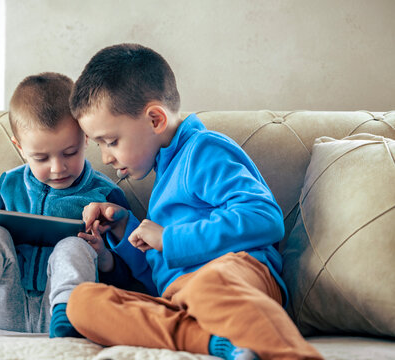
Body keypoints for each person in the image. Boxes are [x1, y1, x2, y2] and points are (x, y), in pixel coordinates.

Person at [66, 44, 324, 360]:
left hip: (234, 276)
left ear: (155, 119)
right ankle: (217, 343)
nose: (106, 158)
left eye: (112, 141)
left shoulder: (203, 150)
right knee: (81, 303)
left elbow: (264, 217)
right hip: (181, 300)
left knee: (208, 284)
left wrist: (169, 238)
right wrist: (122, 230)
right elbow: (159, 279)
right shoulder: (162, 178)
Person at [0, 72, 131, 338]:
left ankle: (65, 321)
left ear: (85, 137)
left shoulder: (105, 196)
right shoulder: (7, 186)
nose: (58, 168)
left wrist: (104, 256)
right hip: (5, 306)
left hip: (68, 308)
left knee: (74, 244)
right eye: (41, 157)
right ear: (20, 148)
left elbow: (131, 275)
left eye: (70, 153)